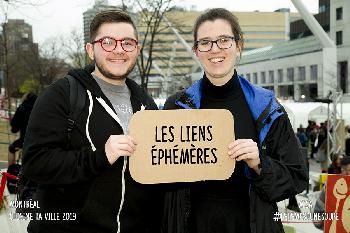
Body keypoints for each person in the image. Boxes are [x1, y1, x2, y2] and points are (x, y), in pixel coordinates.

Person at [162, 8, 308, 233]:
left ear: (238, 46)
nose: (215, 49)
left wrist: (259, 163)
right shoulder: (176, 106)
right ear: (196, 51)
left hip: (252, 224)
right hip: (191, 224)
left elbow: (296, 178)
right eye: (205, 43)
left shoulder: (268, 107)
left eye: (223, 40)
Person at [22, 10, 163, 233]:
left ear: (137, 49)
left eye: (127, 43)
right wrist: (100, 157)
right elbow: (35, 163)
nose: (118, 49)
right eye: (107, 42)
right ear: (90, 50)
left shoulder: (147, 104)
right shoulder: (61, 95)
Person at [313, 156, 350, 230]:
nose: (347, 174)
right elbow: (317, 215)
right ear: (341, 169)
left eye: (349, 171)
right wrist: (325, 223)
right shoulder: (331, 186)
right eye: (345, 170)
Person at [8, 92, 37, 166]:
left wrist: (13, 128)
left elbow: (14, 128)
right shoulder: (40, 109)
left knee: (11, 148)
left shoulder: (22, 108)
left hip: (25, 141)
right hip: (39, 141)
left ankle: (10, 172)